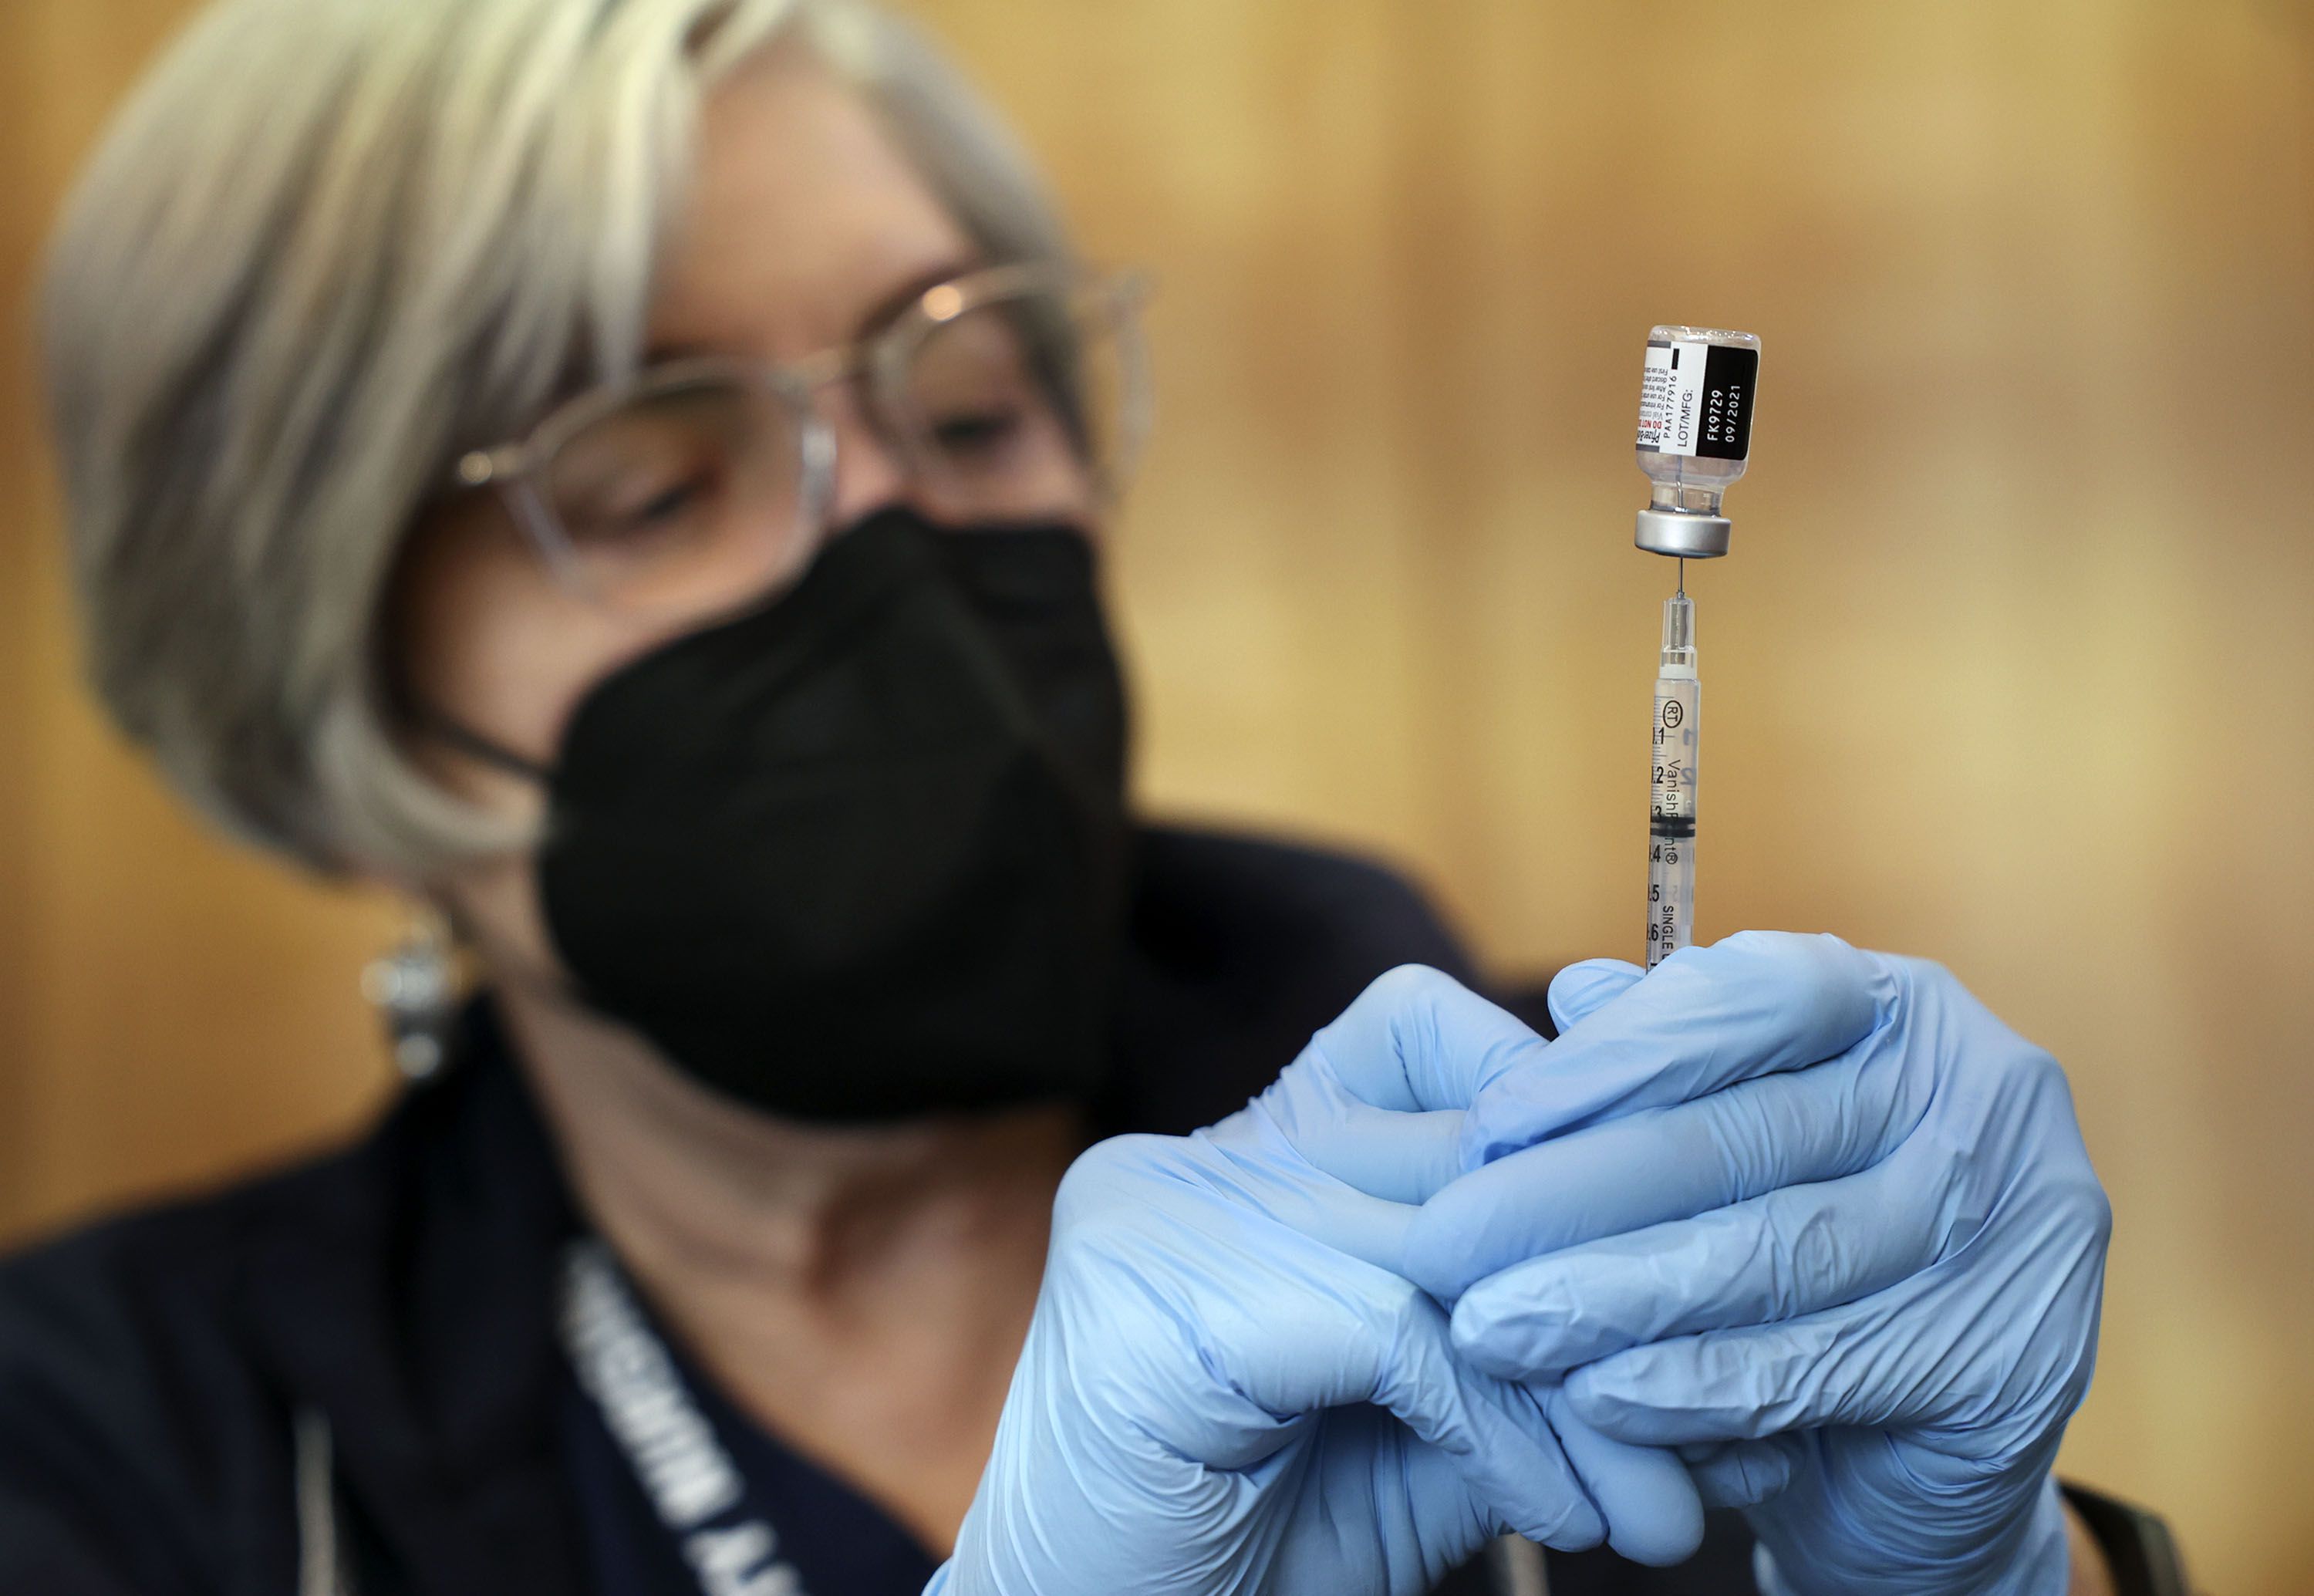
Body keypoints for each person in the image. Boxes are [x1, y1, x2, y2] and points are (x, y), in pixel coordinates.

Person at [2, 1, 2188, 1593]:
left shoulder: (1616, 1193)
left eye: (963, 404)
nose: (885, 552)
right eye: (654, 480)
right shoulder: (120, 1454)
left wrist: (2008, 1578)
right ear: (317, 715)